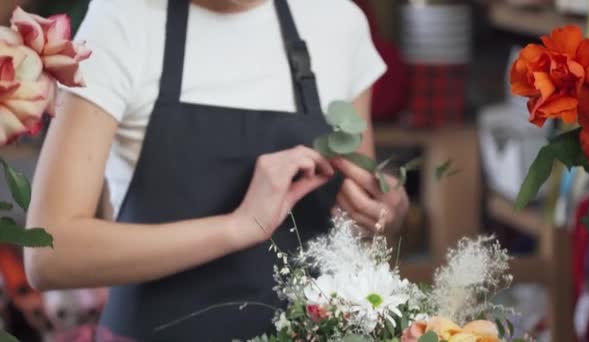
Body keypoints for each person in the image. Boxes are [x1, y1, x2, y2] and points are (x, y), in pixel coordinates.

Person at [24, 0, 409, 340]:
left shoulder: (338, 23)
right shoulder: (123, 19)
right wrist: (238, 227)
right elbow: (50, 255)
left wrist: (385, 213)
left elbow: (359, 235)